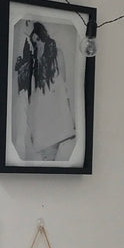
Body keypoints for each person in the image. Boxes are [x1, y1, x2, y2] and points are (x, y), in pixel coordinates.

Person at [12, 20, 76, 162]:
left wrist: (69, 114)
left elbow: (62, 86)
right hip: (44, 115)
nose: (37, 44)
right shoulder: (36, 59)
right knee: (47, 158)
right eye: (34, 42)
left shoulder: (54, 54)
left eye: (39, 40)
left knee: (49, 157)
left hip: (51, 114)